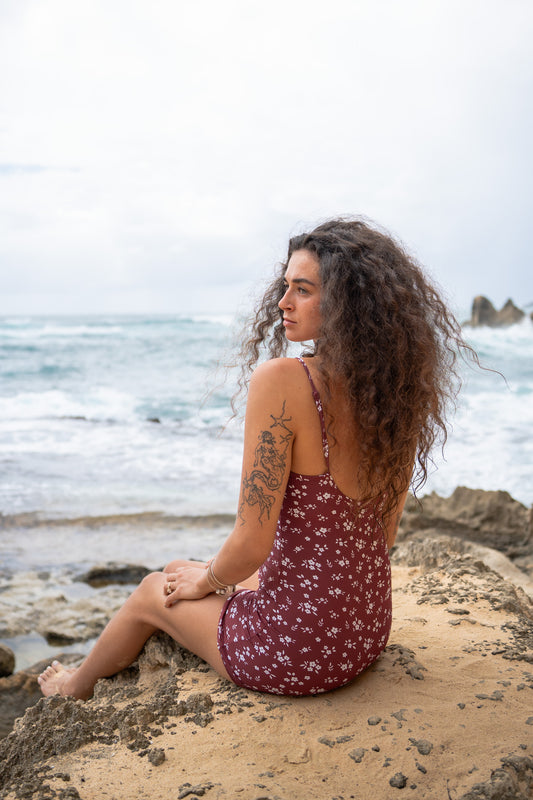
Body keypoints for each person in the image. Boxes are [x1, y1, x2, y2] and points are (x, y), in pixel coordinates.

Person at [38, 216, 474, 699]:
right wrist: (222, 578)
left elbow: (252, 542)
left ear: (348, 304)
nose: (283, 302)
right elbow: (383, 536)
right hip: (364, 630)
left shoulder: (285, 380)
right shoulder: (395, 393)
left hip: (296, 652)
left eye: (302, 290)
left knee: (151, 590)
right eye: (286, 286)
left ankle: (72, 687)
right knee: (185, 569)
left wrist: (212, 581)